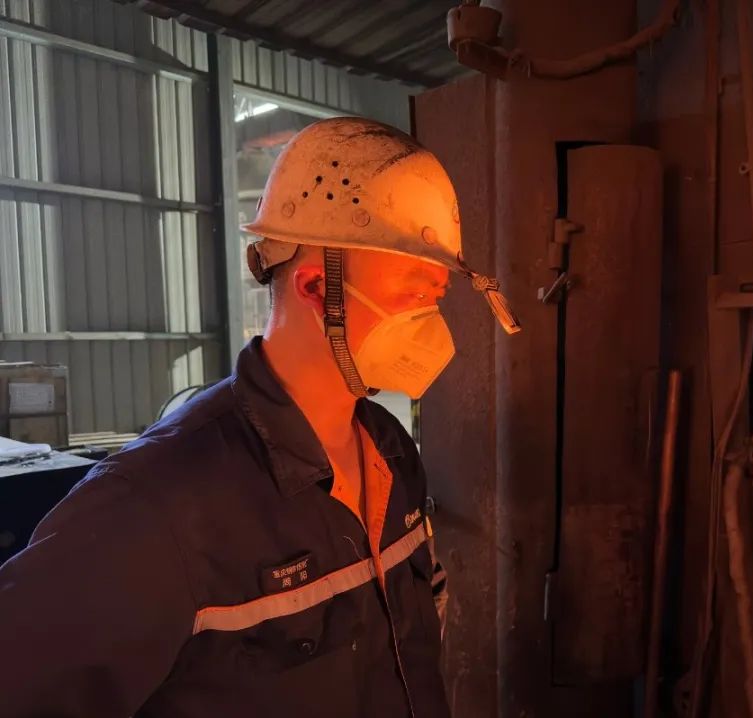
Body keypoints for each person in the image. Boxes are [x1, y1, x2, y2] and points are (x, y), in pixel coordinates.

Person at [0, 117, 519, 718]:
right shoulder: (159, 505)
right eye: (415, 293)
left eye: (438, 297)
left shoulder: (390, 448)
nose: (431, 322)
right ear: (314, 287)